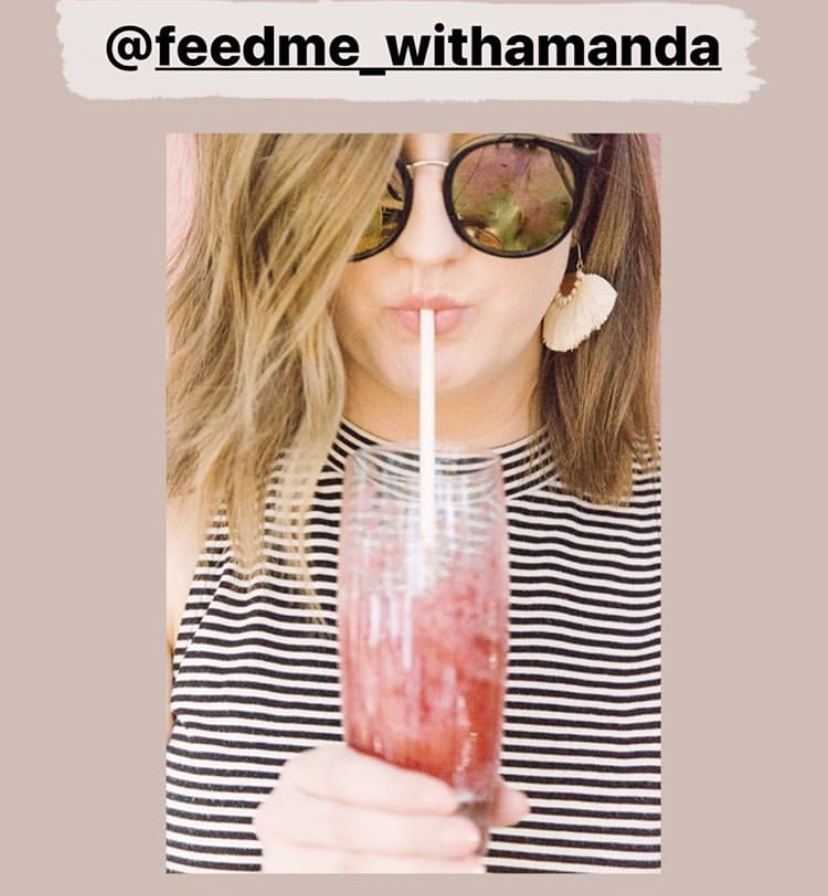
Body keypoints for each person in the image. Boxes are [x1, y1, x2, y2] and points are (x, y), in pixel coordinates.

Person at [166, 132, 661, 873]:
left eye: (508, 179)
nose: (428, 249)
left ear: (587, 208)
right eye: (366, 185)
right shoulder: (175, 524)